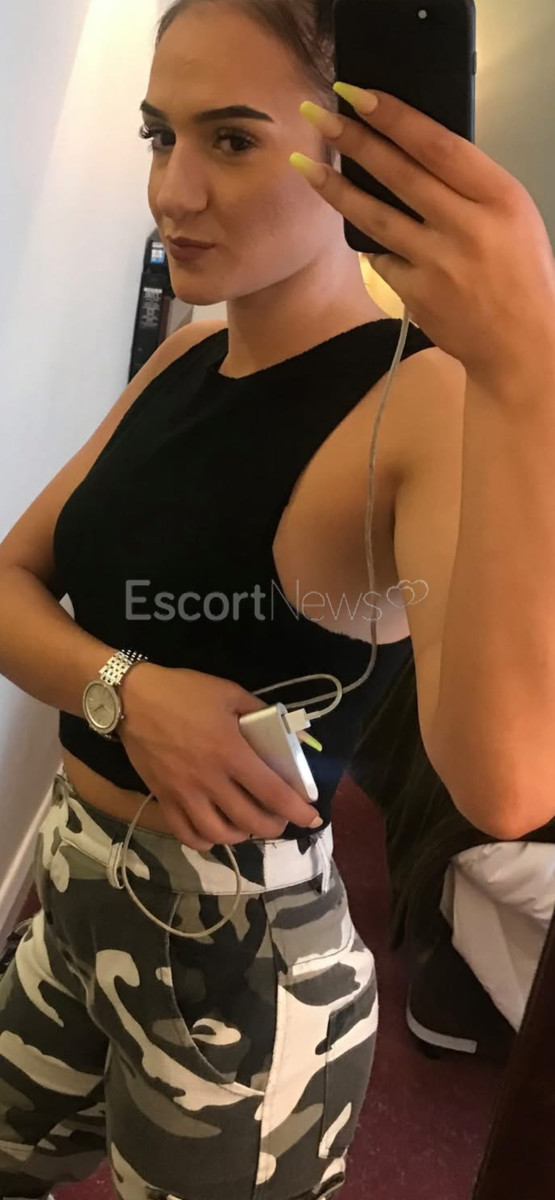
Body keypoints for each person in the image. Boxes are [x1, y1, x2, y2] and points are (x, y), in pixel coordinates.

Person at [0, 2, 554, 1199]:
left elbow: (507, 787)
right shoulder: (183, 355)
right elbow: (6, 581)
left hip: (241, 991)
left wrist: (523, 366)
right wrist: (126, 691)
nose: (173, 191)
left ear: (358, 154)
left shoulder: (423, 400)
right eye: (160, 135)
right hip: (73, 897)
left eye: (234, 140)